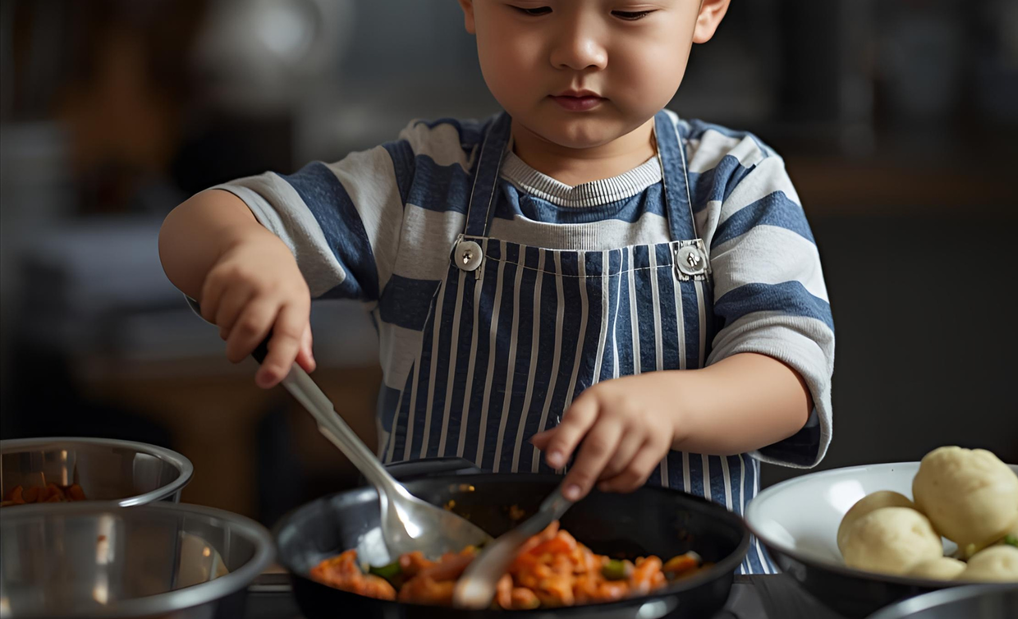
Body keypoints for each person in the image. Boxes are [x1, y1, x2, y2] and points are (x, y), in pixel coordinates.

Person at [159, 0, 834, 574]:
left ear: (708, 8)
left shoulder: (736, 182)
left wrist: (676, 403)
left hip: (696, 593)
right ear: (471, 5)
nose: (577, 49)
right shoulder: (417, 187)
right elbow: (192, 228)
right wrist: (251, 248)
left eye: (628, 10)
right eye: (532, 6)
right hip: (447, 588)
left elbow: (789, 380)